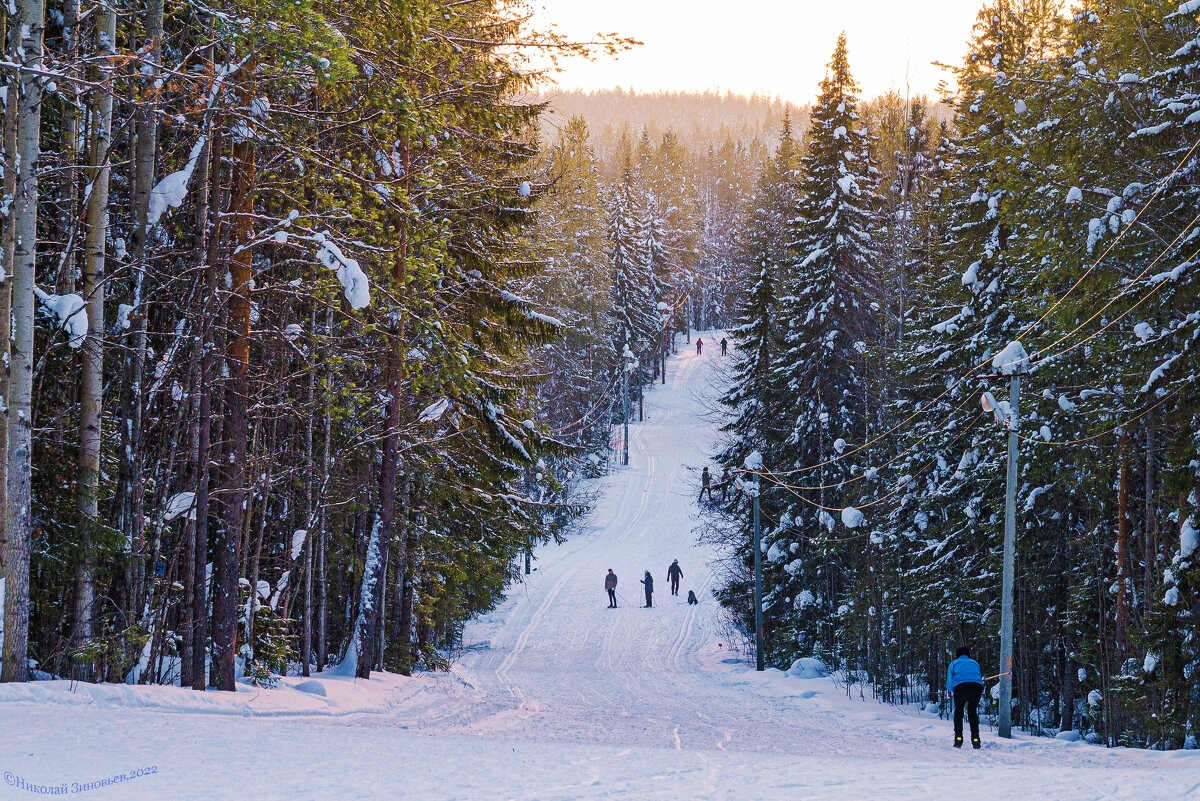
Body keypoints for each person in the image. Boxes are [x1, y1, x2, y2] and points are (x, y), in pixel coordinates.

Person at [946, 646, 984, 749]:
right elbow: (978, 677)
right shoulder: (975, 663)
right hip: (976, 687)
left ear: (957, 654)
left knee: (959, 712)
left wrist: (954, 691)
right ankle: (976, 739)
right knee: (972, 712)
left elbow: (949, 682)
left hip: (960, 687)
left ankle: (958, 738)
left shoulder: (954, 663)